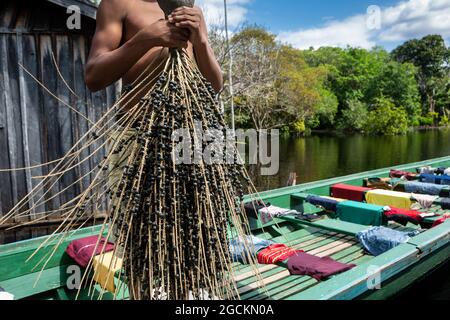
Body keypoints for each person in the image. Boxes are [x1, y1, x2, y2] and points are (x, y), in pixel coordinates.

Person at [85, 0, 223, 97]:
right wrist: (146, 39)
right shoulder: (118, 3)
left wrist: (201, 41)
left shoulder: (193, 11)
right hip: (138, 129)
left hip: (187, 128)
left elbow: (215, 87)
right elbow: (93, 78)